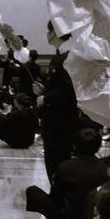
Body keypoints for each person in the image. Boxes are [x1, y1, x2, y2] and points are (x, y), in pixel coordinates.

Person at [25, 127, 109, 219]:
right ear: (98, 147)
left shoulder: (65, 167)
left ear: (75, 145)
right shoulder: (106, 167)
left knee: (32, 191)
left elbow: (56, 198)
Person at [33, 20, 77, 183]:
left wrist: (46, 98)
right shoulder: (59, 56)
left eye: (48, 30)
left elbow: (70, 91)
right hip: (54, 122)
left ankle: (58, 195)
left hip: (60, 124)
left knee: (56, 164)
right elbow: (60, 87)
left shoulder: (67, 58)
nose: (47, 34)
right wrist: (44, 90)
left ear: (55, 32)